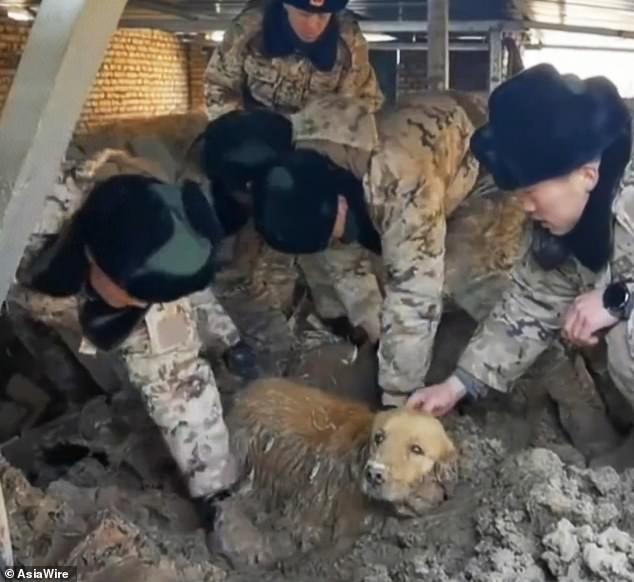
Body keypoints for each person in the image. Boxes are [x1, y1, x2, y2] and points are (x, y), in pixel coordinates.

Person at [406, 64, 634, 470]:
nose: (525, 206)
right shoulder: (568, 225)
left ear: (586, 174)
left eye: (531, 192)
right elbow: (529, 306)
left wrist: (621, 298)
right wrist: (457, 386)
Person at [7, 164, 237, 511]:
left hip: (59, 299)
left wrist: (216, 490)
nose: (143, 305)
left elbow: (181, 385)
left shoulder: (152, 291)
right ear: (99, 259)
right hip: (25, 278)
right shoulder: (25, 207)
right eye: (135, 296)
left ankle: (74, 401)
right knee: (38, 337)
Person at [247, 94, 480, 406]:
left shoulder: (401, 178)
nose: (332, 245)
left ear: (341, 202)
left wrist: (397, 396)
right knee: (353, 264)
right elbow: (345, 269)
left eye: (331, 235)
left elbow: (415, 292)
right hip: (379, 165)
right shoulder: (300, 169)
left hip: (467, 153)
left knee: (454, 274)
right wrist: (376, 333)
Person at [203, 0, 384, 120]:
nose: (313, 25)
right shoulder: (249, 29)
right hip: (254, 136)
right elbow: (218, 87)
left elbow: (363, 105)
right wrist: (242, 131)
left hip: (317, 141)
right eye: (304, 15)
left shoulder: (349, 42)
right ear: (286, 5)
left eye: (323, 16)